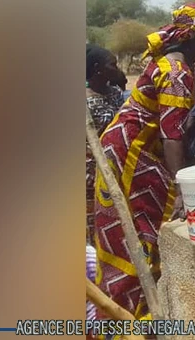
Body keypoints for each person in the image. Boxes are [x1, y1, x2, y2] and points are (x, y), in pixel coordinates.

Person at [93, 3, 195, 319]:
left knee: (127, 240)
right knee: (137, 240)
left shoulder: (173, 65)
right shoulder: (176, 73)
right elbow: (172, 135)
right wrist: (181, 187)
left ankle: (130, 315)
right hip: (131, 159)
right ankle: (128, 322)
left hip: (125, 151)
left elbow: (175, 133)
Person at [86, 44, 125, 244]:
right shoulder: (85, 103)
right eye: (112, 65)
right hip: (91, 175)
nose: (116, 69)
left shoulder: (116, 93)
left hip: (118, 168)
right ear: (97, 69)